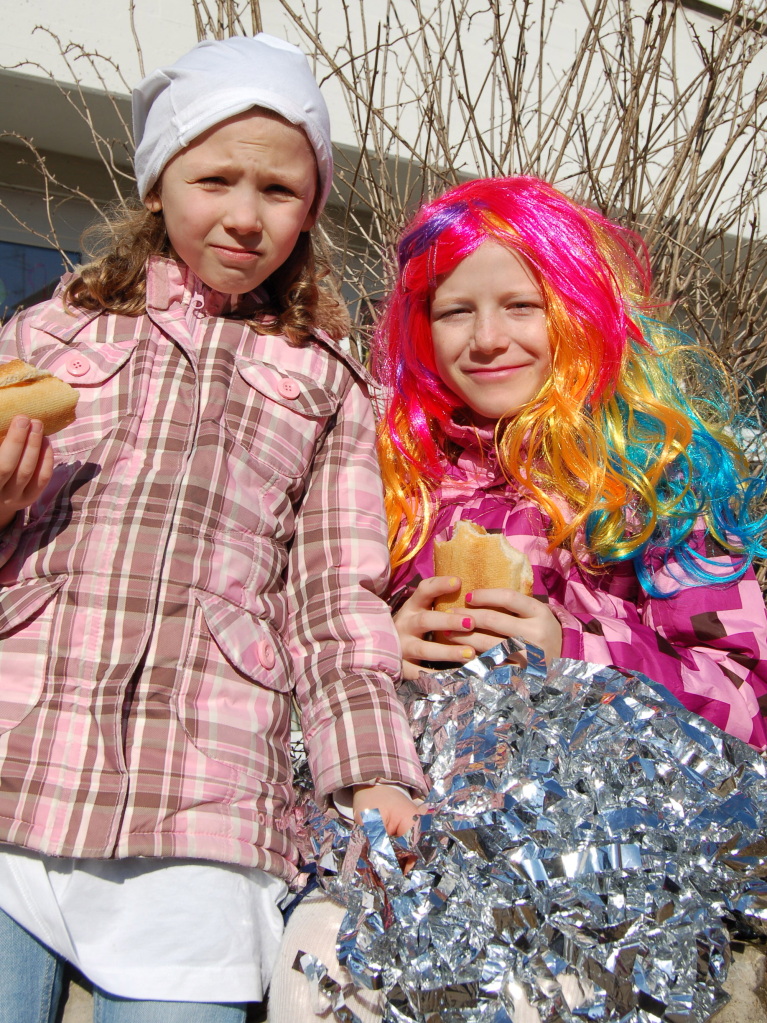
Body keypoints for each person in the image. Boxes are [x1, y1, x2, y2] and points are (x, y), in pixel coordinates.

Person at [0, 34, 425, 1023]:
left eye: (278, 190)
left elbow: (333, 602)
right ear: (158, 185)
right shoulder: (40, 338)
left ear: (311, 206)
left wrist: (370, 775)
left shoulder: (327, 382)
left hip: (202, 799)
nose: (243, 215)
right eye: (214, 178)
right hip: (16, 755)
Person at [376, 175, 767, 749]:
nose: (487, 338)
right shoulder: (396, 478)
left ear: (577, 310)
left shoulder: (652, 480)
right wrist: (380, 648)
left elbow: (747, 704)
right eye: (455, 311)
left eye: (521, 306)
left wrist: (573, 651)